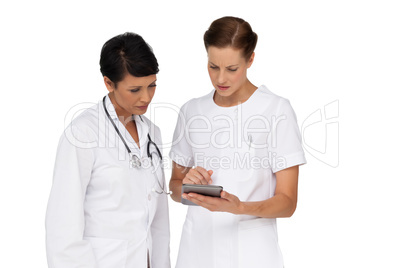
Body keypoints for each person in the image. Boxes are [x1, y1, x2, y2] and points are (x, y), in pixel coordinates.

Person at [169, 16, 306, 268]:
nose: (221, 79)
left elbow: (287, 203)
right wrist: (190, 186)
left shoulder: (276, 110)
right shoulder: (191, 111)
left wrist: (239, 207)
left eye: (232, 69)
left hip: (252, 252)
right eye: (213, 67)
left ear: (250, 59)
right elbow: (175, 189)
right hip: (197, 249)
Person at [46, 32, 170, 268]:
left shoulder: (152, 133)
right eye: (135, 89)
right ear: (108, 83)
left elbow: (158, 220)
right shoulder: (83, 134)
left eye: (152, 85)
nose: (147, 97)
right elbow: (63, 225)